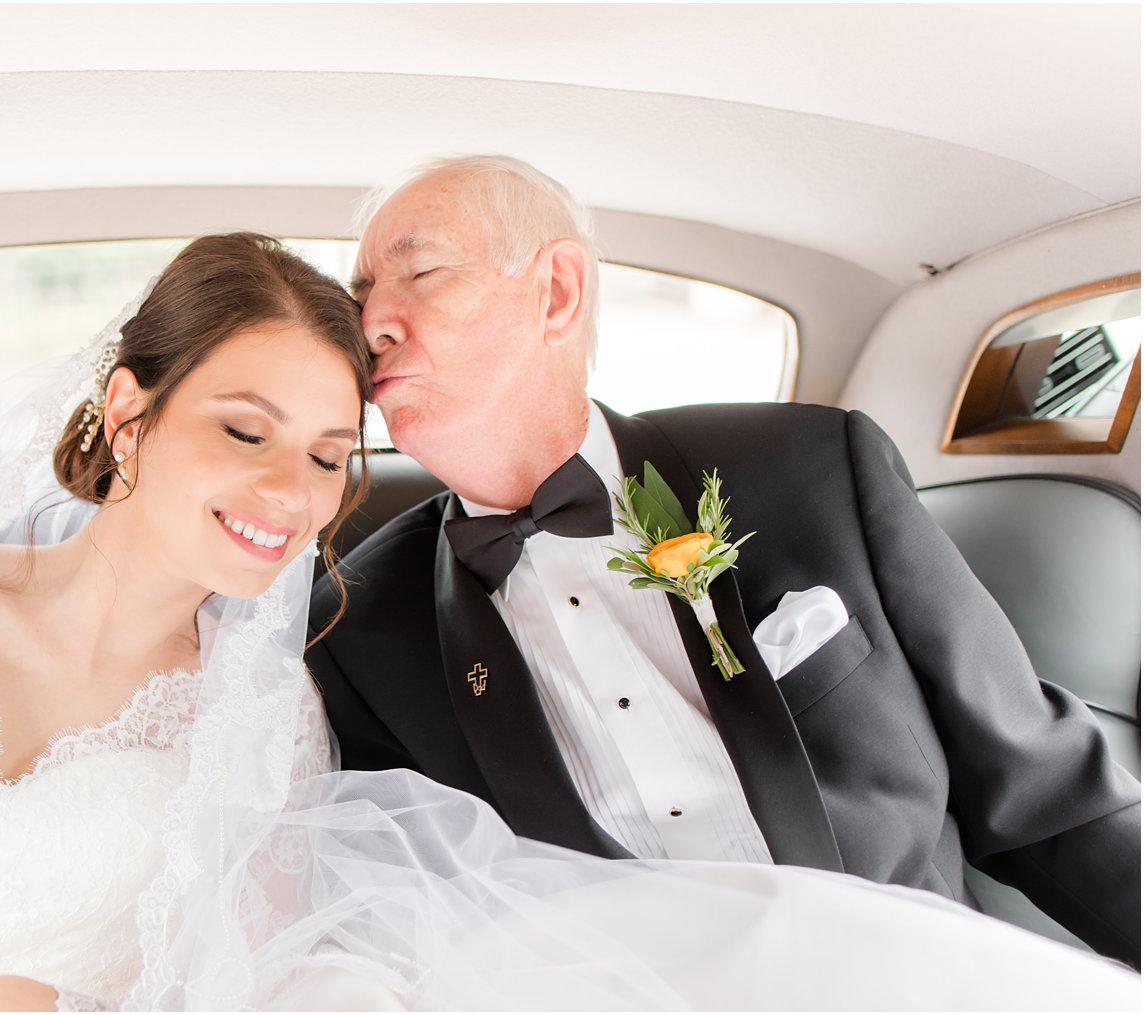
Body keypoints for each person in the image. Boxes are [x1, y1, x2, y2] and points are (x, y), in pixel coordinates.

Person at [0, 233, 1137, 1012]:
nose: (295, 492)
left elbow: (299, 959)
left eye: (330, 453)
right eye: (246, 429)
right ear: (127, 412)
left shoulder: (274, 698)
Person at [306, 154, 1143, 968]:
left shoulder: (813, 470)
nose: (372, 319)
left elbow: (1046, 790)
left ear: (556, 291)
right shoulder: (356, 627)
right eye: (361, 291)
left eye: (417, 274)